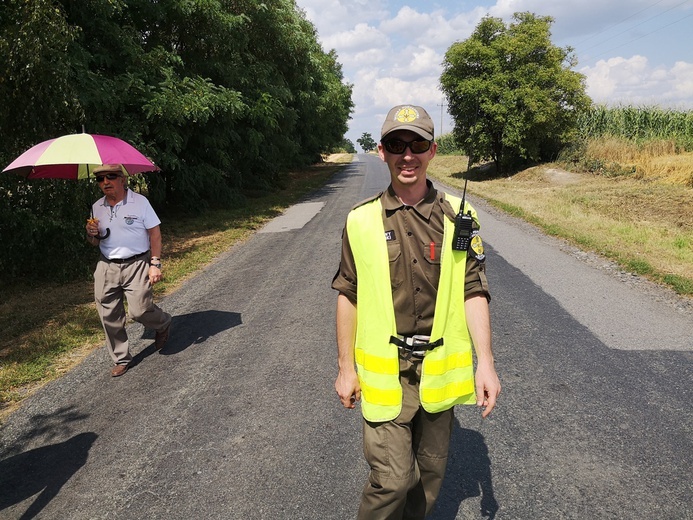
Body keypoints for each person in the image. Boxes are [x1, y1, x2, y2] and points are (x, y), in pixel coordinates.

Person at [332, 104, 501, 519]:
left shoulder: (459, 217)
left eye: (417, 144)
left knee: (428, 478)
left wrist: (487, 363)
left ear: (432, 150)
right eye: (396, 144)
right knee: (391, 480)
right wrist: (345, 367)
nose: (407, 154)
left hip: (439, 371)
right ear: (382, 151)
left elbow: (473, 289)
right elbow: (347, 294)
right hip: (386, 373)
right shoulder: (360, 220)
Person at [85, 164, 172, 377]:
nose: (105, 182)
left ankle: (162, 323)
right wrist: (91, 233)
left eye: (111, 177)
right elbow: (94, 242)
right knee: (108, 314)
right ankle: (122, 358)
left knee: (140, 310)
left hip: (137, 263)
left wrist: (155, 263)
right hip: (107, 265)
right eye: (100, 179)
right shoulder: (96, 207)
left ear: (122, 179)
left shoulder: (140, 202)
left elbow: (155, 234)